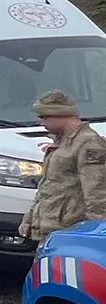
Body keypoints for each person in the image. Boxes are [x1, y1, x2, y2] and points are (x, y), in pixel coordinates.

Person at [19, 90, 106, 243]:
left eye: (44, 117)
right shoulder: (61, 143)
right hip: (53, 231)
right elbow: (48, 186)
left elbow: (97, 194)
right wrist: (29, 218)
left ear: (60, 114)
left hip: (71, 234)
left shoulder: (89, 144)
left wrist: (94, 236)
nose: (41, 123)